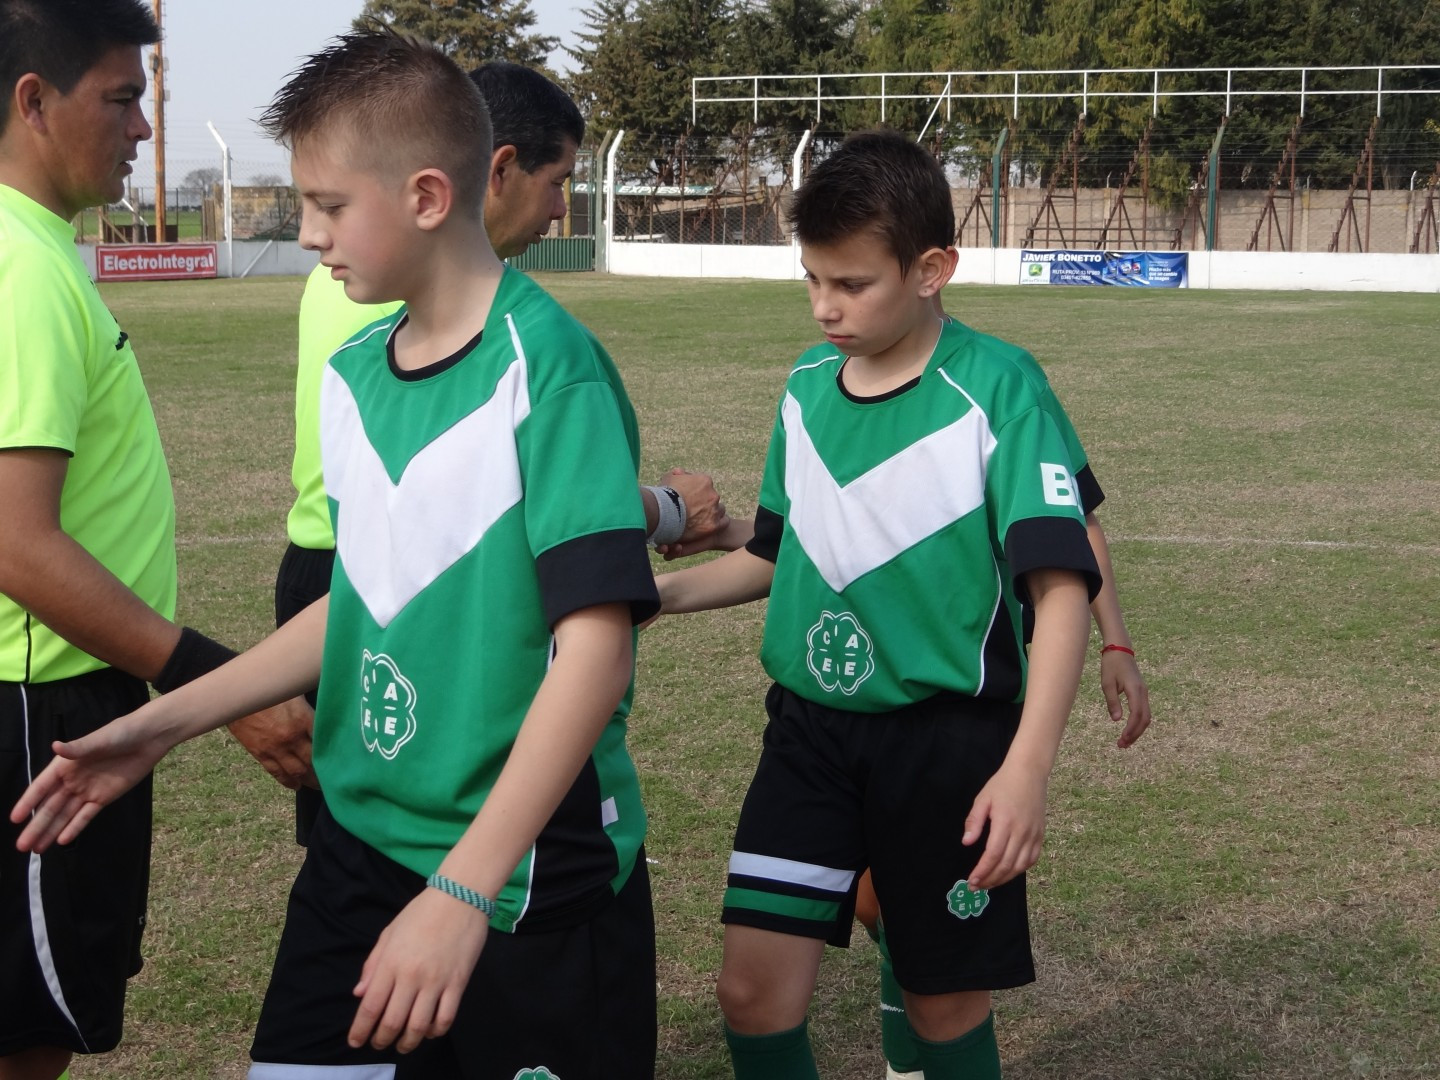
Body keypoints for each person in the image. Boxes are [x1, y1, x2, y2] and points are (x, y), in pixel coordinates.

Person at [14, 28, 661, 1079]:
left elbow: (596, 654)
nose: (309, 234)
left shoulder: (553, 374)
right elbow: (360, 602)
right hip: (358, 851)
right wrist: (158, 727)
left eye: (327, 205)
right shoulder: (356, 370)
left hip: (521, 872)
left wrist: (463, 891)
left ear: (426, 197)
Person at [652, 130, 1102, 1080]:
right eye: (812, 280)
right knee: (750, 994)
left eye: (852, 284)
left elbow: (1060, 592)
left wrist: (1026, 770)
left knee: (944, 1006)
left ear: (932, 269)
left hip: (947, 745)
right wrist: (650, 597)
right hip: (808, 736)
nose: (825, 307)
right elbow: (777, 555)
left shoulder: (997, 390)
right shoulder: (805, 388)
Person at [279, 58, 730, 845]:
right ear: (496, 169)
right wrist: (664, 510)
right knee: (402, 818)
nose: (560, 209)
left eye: (329, 206)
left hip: (360, 569)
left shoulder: (387, 287)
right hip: (388, 574)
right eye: (557, 181)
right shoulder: (381, 310)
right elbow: (479, 490)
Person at [0, 3, 305, 1077]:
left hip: (58, 697)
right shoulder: (23, 274)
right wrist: (218, 690)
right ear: (34, 101)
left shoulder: (34, 251)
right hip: (42, 708)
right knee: (27, 1039)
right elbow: (16, 542)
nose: (142, 127)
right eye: (123, 99)